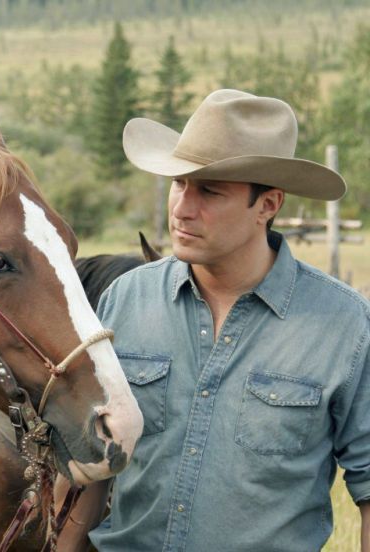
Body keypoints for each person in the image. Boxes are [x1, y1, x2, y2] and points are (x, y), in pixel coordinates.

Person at [88, 89, 369, 551]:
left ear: (268, 205)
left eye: (210, 191)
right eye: (180, 184)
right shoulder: (127, 298)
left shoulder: (345, 326)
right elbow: (96, 459)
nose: (181, 208)